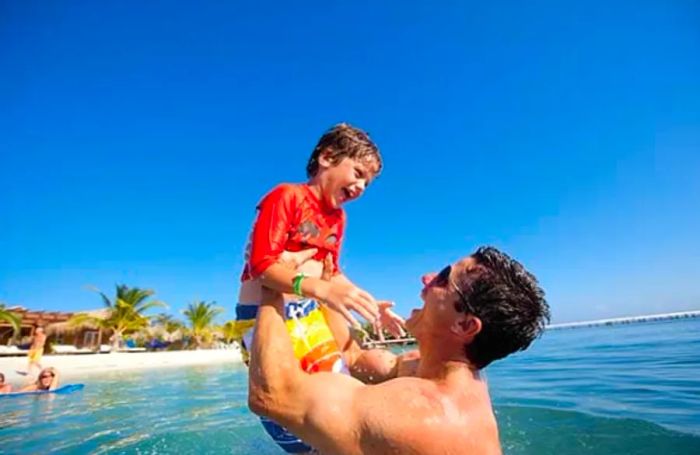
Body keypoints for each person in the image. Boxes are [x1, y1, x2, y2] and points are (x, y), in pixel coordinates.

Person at [249, 246, 551, 455]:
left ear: (465, 326)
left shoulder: (414, 417)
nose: (427, 278)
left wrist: (275, 281)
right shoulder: (447, 377)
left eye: (445, 277)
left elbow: (271, 395)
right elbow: (352, 357)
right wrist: (327, 290)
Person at [235, 123, 402, 453]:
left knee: (337, 392)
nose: (361, 187)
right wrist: (320, 290)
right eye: (357, 173)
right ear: (327, 157)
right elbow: (263, 266)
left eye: (367, 183)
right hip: (264, 316)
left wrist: (363, 301)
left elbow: (332, 274)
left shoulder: (338, 220)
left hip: (307, 313)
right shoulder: (287, 196)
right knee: (288, 411)